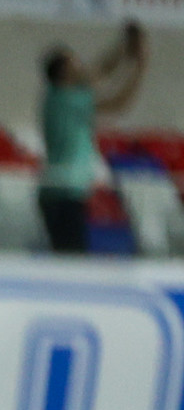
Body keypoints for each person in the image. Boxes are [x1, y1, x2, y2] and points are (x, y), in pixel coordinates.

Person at [39, 23, 145, 254]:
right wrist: (139, 67)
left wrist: (125, 47)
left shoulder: (58, 96)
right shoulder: (68, 100)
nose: (81, 66)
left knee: (69, 255)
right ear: (64, 73)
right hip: (63, 192)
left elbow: (102, 69)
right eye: (74, 63)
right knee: (71, 258)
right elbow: (118, 102)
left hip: (63, 191)